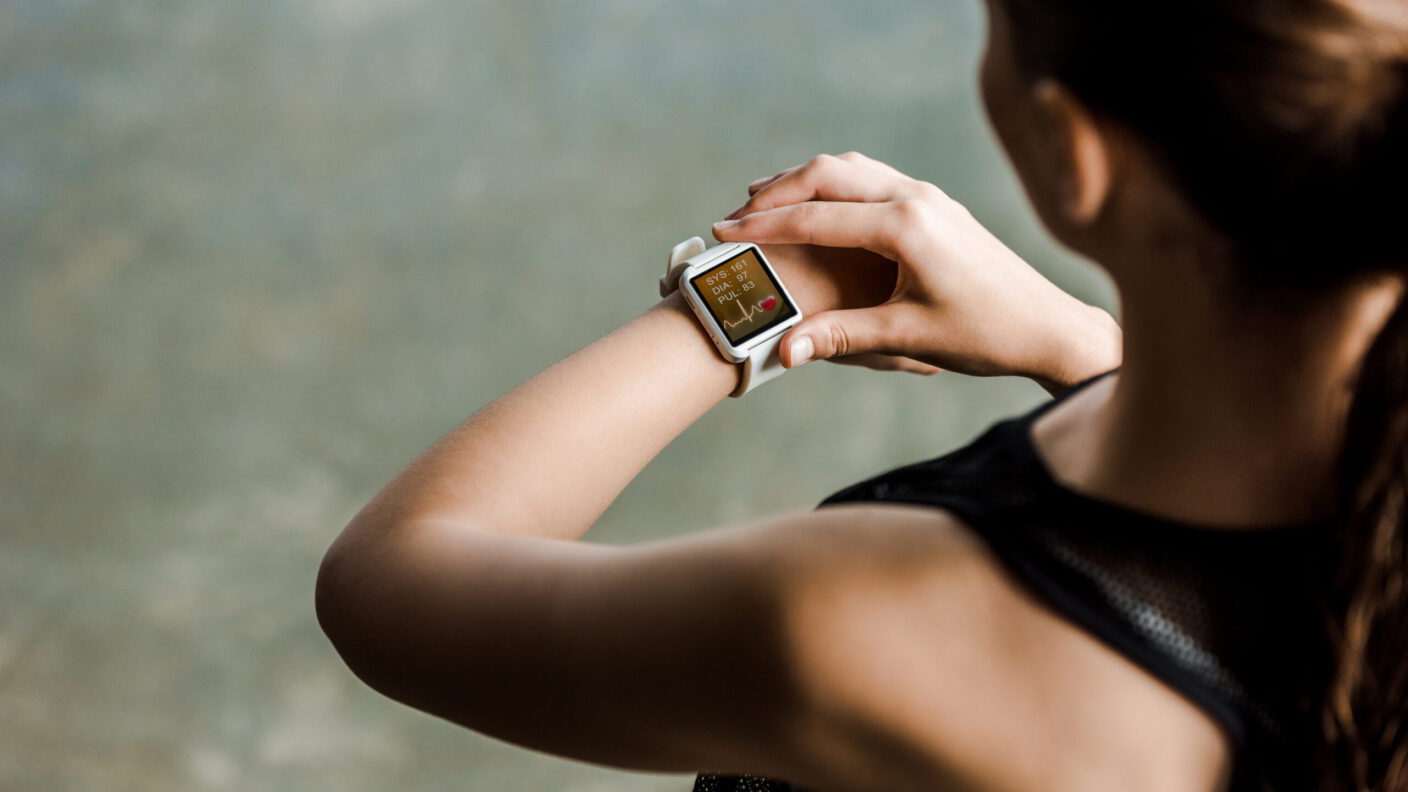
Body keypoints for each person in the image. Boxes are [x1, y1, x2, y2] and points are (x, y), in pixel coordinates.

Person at [315, 0, 1408, 789]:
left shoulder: (858, 628)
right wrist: (1086, 349)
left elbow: (389, 583)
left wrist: (754, 298)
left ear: (1072, 157)